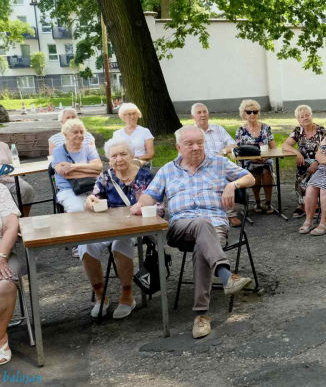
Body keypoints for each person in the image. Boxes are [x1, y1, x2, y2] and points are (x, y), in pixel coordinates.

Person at [131, 125, 255, 339]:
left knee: (202, 245)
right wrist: (140, 204)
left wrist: (232, 185)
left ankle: (201, 316)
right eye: (190, 144)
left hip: (215, 227)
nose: (196, 147)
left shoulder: (219, 163)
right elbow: (150, 195)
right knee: (201, 224)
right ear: (178, 147)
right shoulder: (168, 170)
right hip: (180, 227)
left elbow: (250, 178)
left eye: (200, 142)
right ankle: (226, 275)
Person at [82, 138, 159, 319]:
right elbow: (94, 199)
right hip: (109, 226)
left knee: (120, 242)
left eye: (123, 154)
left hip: (137, 227)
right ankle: (100, 297)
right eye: (114, 156)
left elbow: (159, 207)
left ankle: (127, 295)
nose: (119, 159)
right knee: (85, 245)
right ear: (109, 159)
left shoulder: (146, 177)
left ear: (132, 155)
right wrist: (89, 202)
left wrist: (141, 210)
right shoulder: (105, 177)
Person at [191, 102, 241, 227]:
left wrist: (223, 151)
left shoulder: (218, 129)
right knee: (218, 179)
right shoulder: (190, 133)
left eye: (204, 112)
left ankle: (230, 213)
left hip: (220, 164)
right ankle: (225, 214)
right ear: (193, 116)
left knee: (234, 177)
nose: (202, 115)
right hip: (200, 166)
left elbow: (233, 144)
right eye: (199, 112)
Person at [282, 105, 326, 218]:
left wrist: (317, 162)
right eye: (302, 116)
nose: (305, 118)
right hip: (304, 164)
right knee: (301, 170)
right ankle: (301, 204)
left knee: (312, 172)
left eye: (307, 115)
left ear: (311, 116)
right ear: (298, 119)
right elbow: (285, 145)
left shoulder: (321, 130)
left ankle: (315, 203)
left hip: (319, 162)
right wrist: (297, 153)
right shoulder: (298, 131)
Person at [52, 119, 103, 213]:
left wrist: (74, 167)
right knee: (78, 210)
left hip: (91, 186)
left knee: (104, 206)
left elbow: (99, 168)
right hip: (69, 189)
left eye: (82, 132)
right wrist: (92, 171)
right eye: (75, 132)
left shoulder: (89, 148)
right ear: (65, 134)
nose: (80, 135)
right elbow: (66, 173)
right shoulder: (59, 151)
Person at [235, 99, 276, 214]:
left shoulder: (266, 128)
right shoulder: (241, 130)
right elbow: (238, 150)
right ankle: (258, 202)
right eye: (249, 112)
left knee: (266, 170)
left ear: (258, 113)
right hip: (249, 161)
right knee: (256, 171)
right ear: (244, 114)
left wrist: (267, 156)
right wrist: (253, 158)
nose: (252, 114)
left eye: (255, 111)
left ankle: (268, 202)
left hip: (265, 159)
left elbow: (273, 147)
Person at [0, 184, 26, 364]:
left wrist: (2, 256)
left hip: (2, 251)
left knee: (5, 284)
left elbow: (11, 225)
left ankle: (1, 336)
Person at [0, 142, 33, 216]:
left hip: (8, 178)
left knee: (27, 189)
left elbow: (13, 163)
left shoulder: (3, 145)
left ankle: (25, 216)